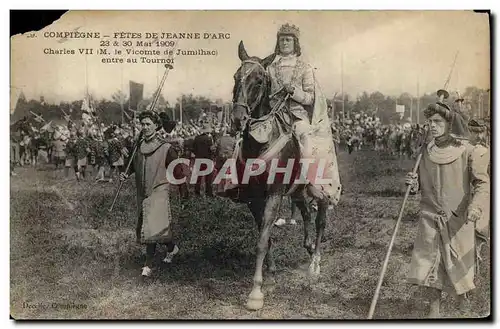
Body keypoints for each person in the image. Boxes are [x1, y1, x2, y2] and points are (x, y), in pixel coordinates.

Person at [404, 101, 490, 318]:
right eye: (429, 122)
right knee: (432, 262)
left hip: (458, 218)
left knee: (458, 263)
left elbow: (482, 183)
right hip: (430, 216)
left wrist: (476, 206)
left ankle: (464, 302)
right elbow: (422, 184)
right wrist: (414, 184)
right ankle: (435, 308)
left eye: (437, 122)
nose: (432, 126)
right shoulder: (426, 151)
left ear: (449, 124)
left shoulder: (467, 151)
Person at [266, 23, 341, 203]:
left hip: (297, 116)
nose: (284, 43)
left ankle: (310, 183)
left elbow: (310, 99)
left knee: (306, 142)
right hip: (274, 116)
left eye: (288, 40)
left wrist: (294, 92)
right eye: (282, 39)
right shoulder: (270, 68)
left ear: (295, 43)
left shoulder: (305, 68)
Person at [120, 110, 183, 277]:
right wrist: (126, 172)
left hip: (159, 190)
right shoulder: (138, 147)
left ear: (156, 125)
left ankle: (147, 265)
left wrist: (182, 187)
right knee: (153, 226)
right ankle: (172, 248)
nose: (145, 127)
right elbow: (133, 164)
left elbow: (178, 170)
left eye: (149, 124)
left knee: (152, 226)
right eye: (143, 124)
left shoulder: (166, 148)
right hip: (143, 192)